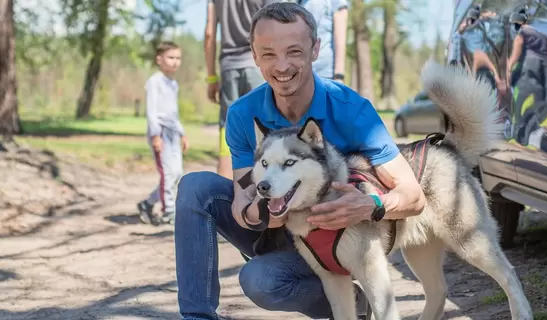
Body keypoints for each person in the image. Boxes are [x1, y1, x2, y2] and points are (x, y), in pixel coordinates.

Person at [174, 3, 425, 320]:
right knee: (196, 186)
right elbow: (244, 196)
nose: (281, 65)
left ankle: (354, 305)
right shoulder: (242, 114)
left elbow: (414, 196)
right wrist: (263, 213)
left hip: (340, 238)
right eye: (268, 54)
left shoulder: (352, 110)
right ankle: (197, 316)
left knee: (260, 281)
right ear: (254, 56)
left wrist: (370, 205)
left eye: (293, 51)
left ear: (315, 49)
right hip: (281, 230)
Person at [204, 0, 276, 180]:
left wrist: (212, 77)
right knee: (266, 128)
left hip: (229, 68)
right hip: (259, 65)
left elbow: (209, 34)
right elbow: (276, 26)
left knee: (227, 128)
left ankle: (226, 191)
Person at [137, 41, 189, 226]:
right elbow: (152, 111)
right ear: (159, 59)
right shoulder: (154, 81)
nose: (175, 62)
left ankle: (147, 203)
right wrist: (155, 135)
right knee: (168, 173)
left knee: (177, 173)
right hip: (160, 132)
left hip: (173, 132)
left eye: (178, 58)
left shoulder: (173, 83)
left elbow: (173, 112)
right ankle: (169, 211)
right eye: (171, 57)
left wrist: (182, 133)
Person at [298, 0, 348, 82]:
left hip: (325, 75)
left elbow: (341, 34)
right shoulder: (300, 2)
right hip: (301, 74)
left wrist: (339, 75)